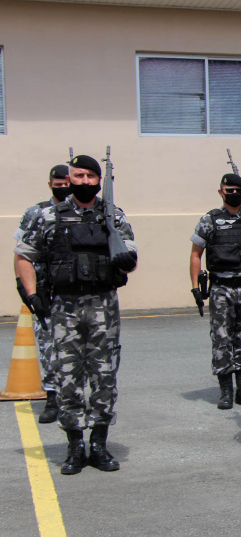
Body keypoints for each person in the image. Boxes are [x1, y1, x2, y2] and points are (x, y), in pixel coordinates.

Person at [14, 154, 138, 474]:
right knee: (67, 377)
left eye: (90, 176)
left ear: (99, 180)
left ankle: (98, 443)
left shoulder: (113, 215)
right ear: (69, 179)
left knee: (104, 376)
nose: (84, 181)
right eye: (78, 176)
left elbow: (130, 255)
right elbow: (24, 256)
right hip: (64, 307)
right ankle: (74, 446)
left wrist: (125, 260)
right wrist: (32, 295)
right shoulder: (48, 216)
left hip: (103, 305)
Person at [189, 173, 241, 410]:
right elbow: (196, 254)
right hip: (221, 288)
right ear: (221, 192)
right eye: (229, 190)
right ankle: (226, 391)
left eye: (239, 190)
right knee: (221, 340)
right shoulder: (210, 220)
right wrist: (195, 287)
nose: (234, 194)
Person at [13, 164, 70, 423]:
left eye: (66, 184)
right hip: (45, 288)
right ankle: (51, 397)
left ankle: (74, 398)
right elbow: (22, 251)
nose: (63, 188)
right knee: (48, 345)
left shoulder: (81, 211)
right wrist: (23, 286)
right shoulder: (36, 212)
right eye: (58, 185)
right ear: (50, 185)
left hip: (73, 288)